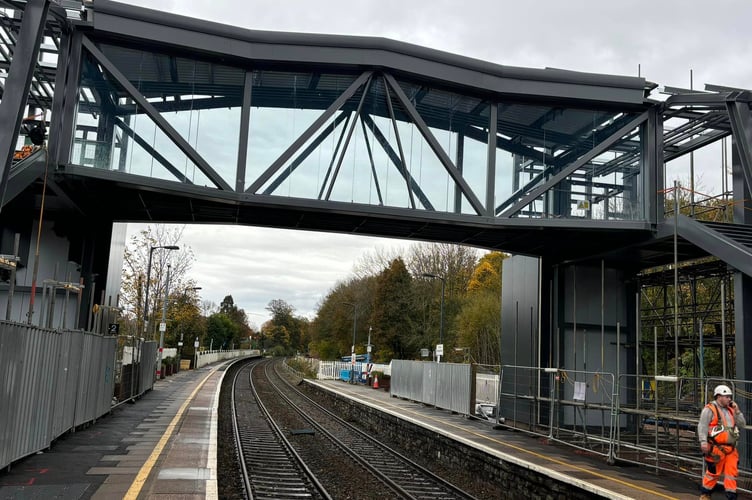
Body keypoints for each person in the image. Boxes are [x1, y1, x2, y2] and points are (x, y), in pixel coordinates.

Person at [697, 384, 745, 500]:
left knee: (731, 475)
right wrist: (703, 442)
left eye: (730, 397)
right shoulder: (709, 409)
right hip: (716, 449)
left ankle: (731, 496)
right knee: (713, 473)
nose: (729, 399)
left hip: (731, 449)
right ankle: (705, 494)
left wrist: (737, 411)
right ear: (719, 397)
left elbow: (742, 424)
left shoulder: (731, 410)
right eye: (727, 396)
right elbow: (702, 426)